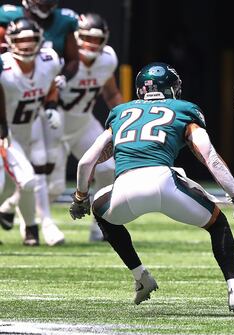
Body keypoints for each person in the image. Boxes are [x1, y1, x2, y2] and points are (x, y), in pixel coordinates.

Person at [69, 62, 234, 315]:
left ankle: (141, 276)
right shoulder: (184, 109)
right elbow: (210, 157)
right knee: (217, 224)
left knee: (100, 210)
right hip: (164, 182)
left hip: (125, 187)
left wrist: (80, 197)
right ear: (173, 88)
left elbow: (86, 161)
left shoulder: (121, 112)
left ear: (140, 90)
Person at [0, 0, 79, 238]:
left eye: (31, 41)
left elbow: (50, 84)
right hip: (6, 131)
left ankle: (30, 227)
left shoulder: (49, 60)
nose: (26, 46)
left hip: (24, 128)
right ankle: (32, 226)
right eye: (21, 40)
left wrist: (52, 106)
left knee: (26, 182)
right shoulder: (3, 67)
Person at [47, 13, 122, 242]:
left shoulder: (107, 60)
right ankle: (33, 222)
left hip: (83, 122)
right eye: (86, 37)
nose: (90, 44)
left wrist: (126, 120)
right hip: (55, 126)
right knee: (53, 186)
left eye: (96, 39)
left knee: (108, 168)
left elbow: (111, 93)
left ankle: (101, 225)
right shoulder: (63, 61)